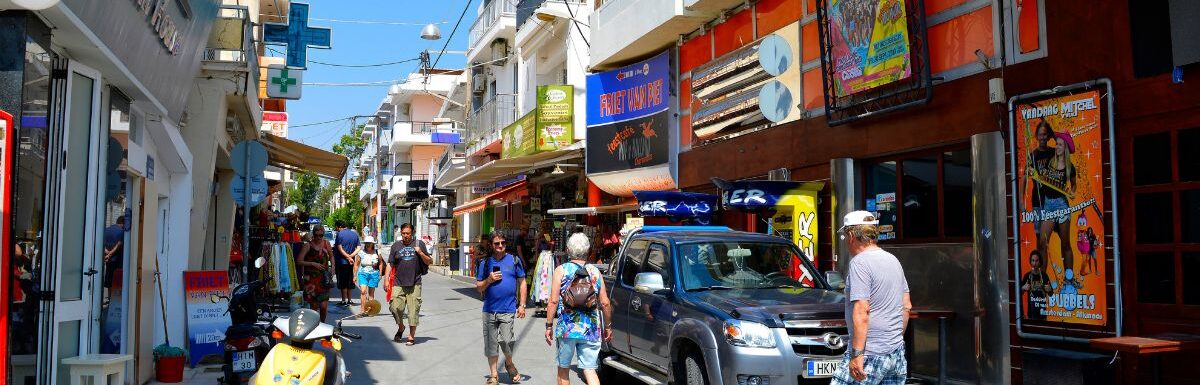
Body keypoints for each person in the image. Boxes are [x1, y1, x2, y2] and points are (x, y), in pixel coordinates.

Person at [832, 210, 912, 385]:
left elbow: (862, 311)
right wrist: (892, 341)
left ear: (851, 235)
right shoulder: (893, 260)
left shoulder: (860, 263)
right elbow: (906, 306)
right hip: (896, 353)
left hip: (869, 353)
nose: (846, 243)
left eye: (845, 237)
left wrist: (857, 354)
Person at [544, 233, 612, 385]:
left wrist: (549, 325)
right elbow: (605, 303)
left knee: (563, 370)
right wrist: (607, 326)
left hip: (567, 328)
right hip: (591, 328)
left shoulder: (561, 270)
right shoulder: (595, 272)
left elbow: (554, 300)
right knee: (590, 370)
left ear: (568, 250)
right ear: (588, 250)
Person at [1023, 120, 1079, 288]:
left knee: (1065, 243)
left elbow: (1074, 185)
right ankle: (1044, 279)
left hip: (1062, 205)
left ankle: (1069, 279)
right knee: (1042, 242)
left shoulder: (1070, 166)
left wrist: (1073, 192)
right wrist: (1032, 174)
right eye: (1058, 144)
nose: (1058, 146)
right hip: (1048, 205)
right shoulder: (1049, 160)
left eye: (1061, 144)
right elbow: (1038, 174)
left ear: (1065, 148)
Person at [475, 233, 527, 385]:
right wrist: (489, 280)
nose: (500, 246)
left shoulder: (514, 260)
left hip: (508, 309)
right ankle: (494, 375)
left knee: (507, 340)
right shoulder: (485, 262)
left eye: (503, 243)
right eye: (497, 243)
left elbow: (522, 282)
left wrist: (522, 305)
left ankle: (509, 363)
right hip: (489, 309)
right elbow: (479, 288)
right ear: (491, 245)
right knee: (491, 344)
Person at [384, 223, 432, 345]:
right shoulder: (395, 246)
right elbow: (390, 263)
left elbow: (429, 261)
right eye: (404, 233)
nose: (405, 236)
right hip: (398, 283)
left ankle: (411, 336)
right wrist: (386, 279)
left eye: (408, 233)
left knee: (413, 311)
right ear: (401, 233)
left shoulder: (419, 244)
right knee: (394, 307)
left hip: (415, 283)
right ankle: (401, 327)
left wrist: (420, 253)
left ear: (412, 233)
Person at [298, 224, 333, 322]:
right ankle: (312, 327)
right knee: (314, 307)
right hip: (311, 281)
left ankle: (322, 324)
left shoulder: (327, 244)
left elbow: (331, 256)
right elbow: (299, 261)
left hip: (324, 279)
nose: (318, 237)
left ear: (323, 234)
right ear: (313, 234)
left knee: (324, 307)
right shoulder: (308, 245)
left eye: (320, 235)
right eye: (316, 235)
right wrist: (312, 263)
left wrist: (333, 267)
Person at [334, 220, 361, 307]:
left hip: (342, 262)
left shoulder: (339, 234)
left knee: (343, 282)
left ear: (339, 227)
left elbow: (339, 248)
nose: (336, 229)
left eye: (336, 228)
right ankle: (349, 300)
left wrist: (347, 257)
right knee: (350, 282)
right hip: (351, 262)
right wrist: (351, 256)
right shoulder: (354, 234)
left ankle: (343, 301)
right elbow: (359, 247)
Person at [354, 236, 382, 316]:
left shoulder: (377, 252)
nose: (368, 245)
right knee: (363, 291)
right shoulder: (361, 253)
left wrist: (380, 274)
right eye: (367, 243)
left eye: (370, 243)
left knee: (371, 294)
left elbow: (380, 263)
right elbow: (356, 264)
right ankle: (362, 310)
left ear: (373, 244)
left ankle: (370, 310)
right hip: (363, 273)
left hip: (374, 274)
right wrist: (355, 275)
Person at [1021, 250, 1050, 321]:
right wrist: (1023, 288)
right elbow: (1019, 293)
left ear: (1040, 262)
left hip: (1043, 314)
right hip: (1031, 314)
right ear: (1030, 262)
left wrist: (1049, 290)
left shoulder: (1044, 275)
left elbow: (1051, 294)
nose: (1034, 263)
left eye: (1036, 261)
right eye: (1033, 260)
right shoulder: (1027, 276)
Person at [102, 216, 125, 291]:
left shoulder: (105, 230)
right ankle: (115, 300)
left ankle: (109, 299)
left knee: (109, 282)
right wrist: (111, 253)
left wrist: (107, 253)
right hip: (118, 261)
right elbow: (119, 244)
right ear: (123, 223)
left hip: (108, 260)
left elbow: (101, 242)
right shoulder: (122, 232)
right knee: (117, 282)